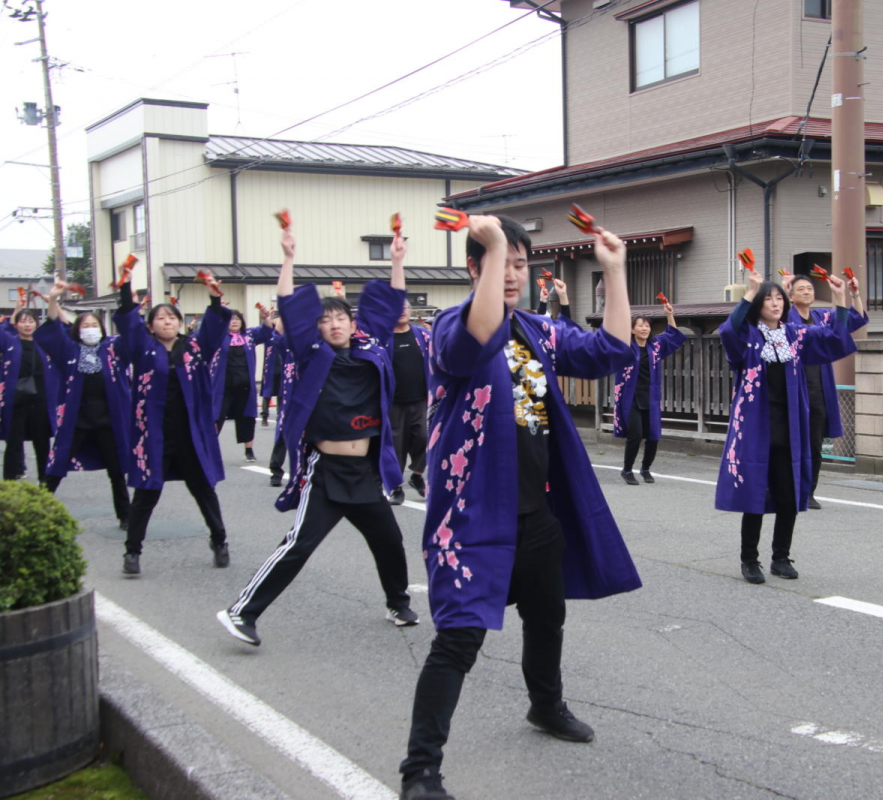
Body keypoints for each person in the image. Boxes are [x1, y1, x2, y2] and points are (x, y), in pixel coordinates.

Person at [398, 214, 639, 800]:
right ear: (474, 268)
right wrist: (498, 239)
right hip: (474, 519)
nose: (512, 274)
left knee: (547, 617)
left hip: (536, 512)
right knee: (457, 640)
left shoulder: (536, 329)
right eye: (501, 262)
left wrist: (615, 270)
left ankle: (546, 706)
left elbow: (611, 348)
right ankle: (420, 771)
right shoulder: (453, 327)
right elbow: (479, 335)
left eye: (521, 264)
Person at [218, 222, 418, 648]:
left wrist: (397, 260)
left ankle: (398, 603)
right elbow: (290, 306)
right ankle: (242, 612)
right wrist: (288, 259)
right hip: (325, 470)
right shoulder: (309, 354)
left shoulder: (371, 349)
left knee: (390, 540)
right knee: (299, 545)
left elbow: (392, 302)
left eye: (340, 317)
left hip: (364, 471)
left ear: (352, 321)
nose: (334, 325)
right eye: (325, 320)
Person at [716, 268, 857, 585]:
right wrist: (750, 292)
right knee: (755, 493)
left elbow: (834, 337)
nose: (776, 302)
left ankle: (781, 557)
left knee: (789, 494)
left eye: (779, 297)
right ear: (759, 304)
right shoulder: (749, 335)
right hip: (756, 427)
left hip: (790, 426)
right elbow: (728, 331)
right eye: (769, 298)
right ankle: (749, 560)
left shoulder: (795, 334)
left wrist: (840, 298)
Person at [115, 273, 231, 576]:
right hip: (154, 434)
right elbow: (128, 323)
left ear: (180, 323)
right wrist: (126, 288)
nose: (167, 322)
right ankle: (132, 551)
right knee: (146, 494)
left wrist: (215, 297)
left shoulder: (193, 348)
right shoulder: (142, 347)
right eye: (160, 318)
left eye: (172, 317)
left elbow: (215, 327)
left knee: (204, 489)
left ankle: (219, 541)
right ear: (151, 325)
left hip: (189, 434)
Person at [38, 278, 132, 527]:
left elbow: (132, 333)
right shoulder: (69, 350)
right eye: (85, 325)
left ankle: (125, 515)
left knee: (116, 471)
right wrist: (53, 299)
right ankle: (37, 508)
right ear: (78, 330)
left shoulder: (113, 349)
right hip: (77, 419)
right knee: (57, 465)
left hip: (108, 420)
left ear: (102, 328)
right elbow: (51, 330)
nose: (90, 328)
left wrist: (128, 299)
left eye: (94, 324)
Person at [786, 273, 868, 508]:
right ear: (790, 296)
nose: (807, 291)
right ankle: (788, 488)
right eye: (801, 288)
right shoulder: (787, 319)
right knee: (791, 443)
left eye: (810, 288)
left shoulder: (821, 317)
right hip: (794, 390)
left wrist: (848, 294)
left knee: (814, 444)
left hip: (819, 391)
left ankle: (808, 492)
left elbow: (852, 320)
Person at [613, 303, 685, 485]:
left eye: (647, 325)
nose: (645, 328)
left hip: (650, 397)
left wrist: (670, 315)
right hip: (629, 398)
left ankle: (645, 468)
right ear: (631, 329)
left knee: (653, 435)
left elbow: (673, 336)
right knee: (635, 434)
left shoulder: (655, 346)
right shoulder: (624, 347)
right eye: (640, 325)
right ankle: (627, 469)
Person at [2, 304, 57, 482]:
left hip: (40, 400)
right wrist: (11, 318)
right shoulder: (10, 342)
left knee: (42, 444)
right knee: (13, 442)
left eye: (31, 321)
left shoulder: (44, 343)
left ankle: (45, 482)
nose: (27, 325)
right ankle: (9, 482)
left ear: (36, 323)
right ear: (16, 324)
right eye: (23, 321)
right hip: (16, 401)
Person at [212, 306, 272, 462]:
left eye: (237, 318)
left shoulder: (249, 335)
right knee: (216, 416)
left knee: (247, 417)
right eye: (231, 319)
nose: (234, 321)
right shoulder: (219, 336)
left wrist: (265, 318)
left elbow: (266, 332)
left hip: (245, 384)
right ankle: (209, 448)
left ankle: (249, 450)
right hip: (223, 385)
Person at [388, 300, 431, 505]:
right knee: (397, 446)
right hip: (393, 402)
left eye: (405, 308)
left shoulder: (423, 336)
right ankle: (396, 488)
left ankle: (416, 475)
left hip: (421, 399)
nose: (401, 311)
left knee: (425, 439)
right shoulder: (383, 338)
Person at [263, 312, 294, 488]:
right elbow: (277, 336)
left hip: (312, 398)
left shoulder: (317, 346)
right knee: (283, 433)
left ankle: (307, 473)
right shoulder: (288, 347)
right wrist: (284, 311)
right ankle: (276, 471)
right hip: (289, 396)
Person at [260, 309, 282, 428]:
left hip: (283, 367)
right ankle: (264, 416)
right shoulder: (269, 333)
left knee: (281, 392)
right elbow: (265, 325)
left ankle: (280, 415)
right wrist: (265, 317)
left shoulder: (285, 334)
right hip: (270, 368)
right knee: (267, 392)